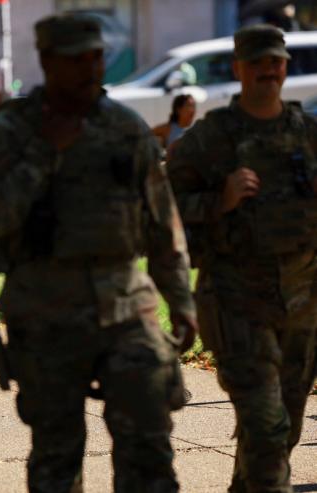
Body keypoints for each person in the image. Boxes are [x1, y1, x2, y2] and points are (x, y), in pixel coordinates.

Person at [0, 13, 198, 493]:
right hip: (44, 310)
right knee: (57, 458)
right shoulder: (13, 131)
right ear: (49, 61)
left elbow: (162, 223)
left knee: (150, 449)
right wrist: (46, 154)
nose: (92, 67)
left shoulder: (125, 127)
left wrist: (180, 300)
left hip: (125, 306)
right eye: (78, 59)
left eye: (97, 56)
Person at [167, 24, 317, 493]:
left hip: (303, 307)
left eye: (274, 62)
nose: (267, 71)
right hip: (237, 306)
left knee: (281, 431)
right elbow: (161, 214)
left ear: (285, 66)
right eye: (257, 63)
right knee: (268, 430)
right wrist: (218, 200)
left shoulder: (309, 135)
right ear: (238, 69)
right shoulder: (209, 141)